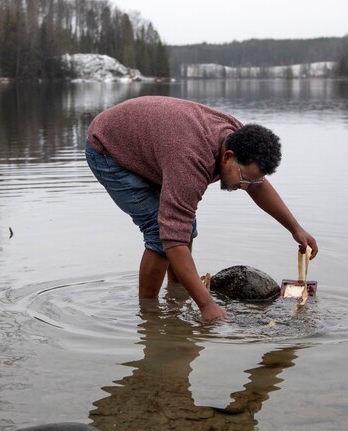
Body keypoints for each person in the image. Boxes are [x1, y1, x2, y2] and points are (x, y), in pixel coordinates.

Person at [84, 96, 318, 322]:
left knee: (185, 225)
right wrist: (207, 305)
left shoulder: (237, 138)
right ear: (228, 156)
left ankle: (176, 295)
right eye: (244, 179)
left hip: (150, 143)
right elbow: (172, 237)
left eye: (253, 180)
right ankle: (149, 315)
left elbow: (257, 186)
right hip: (107, 148)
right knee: (159, 231)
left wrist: (295, 228)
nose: (244, 187)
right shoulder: (192, 160)